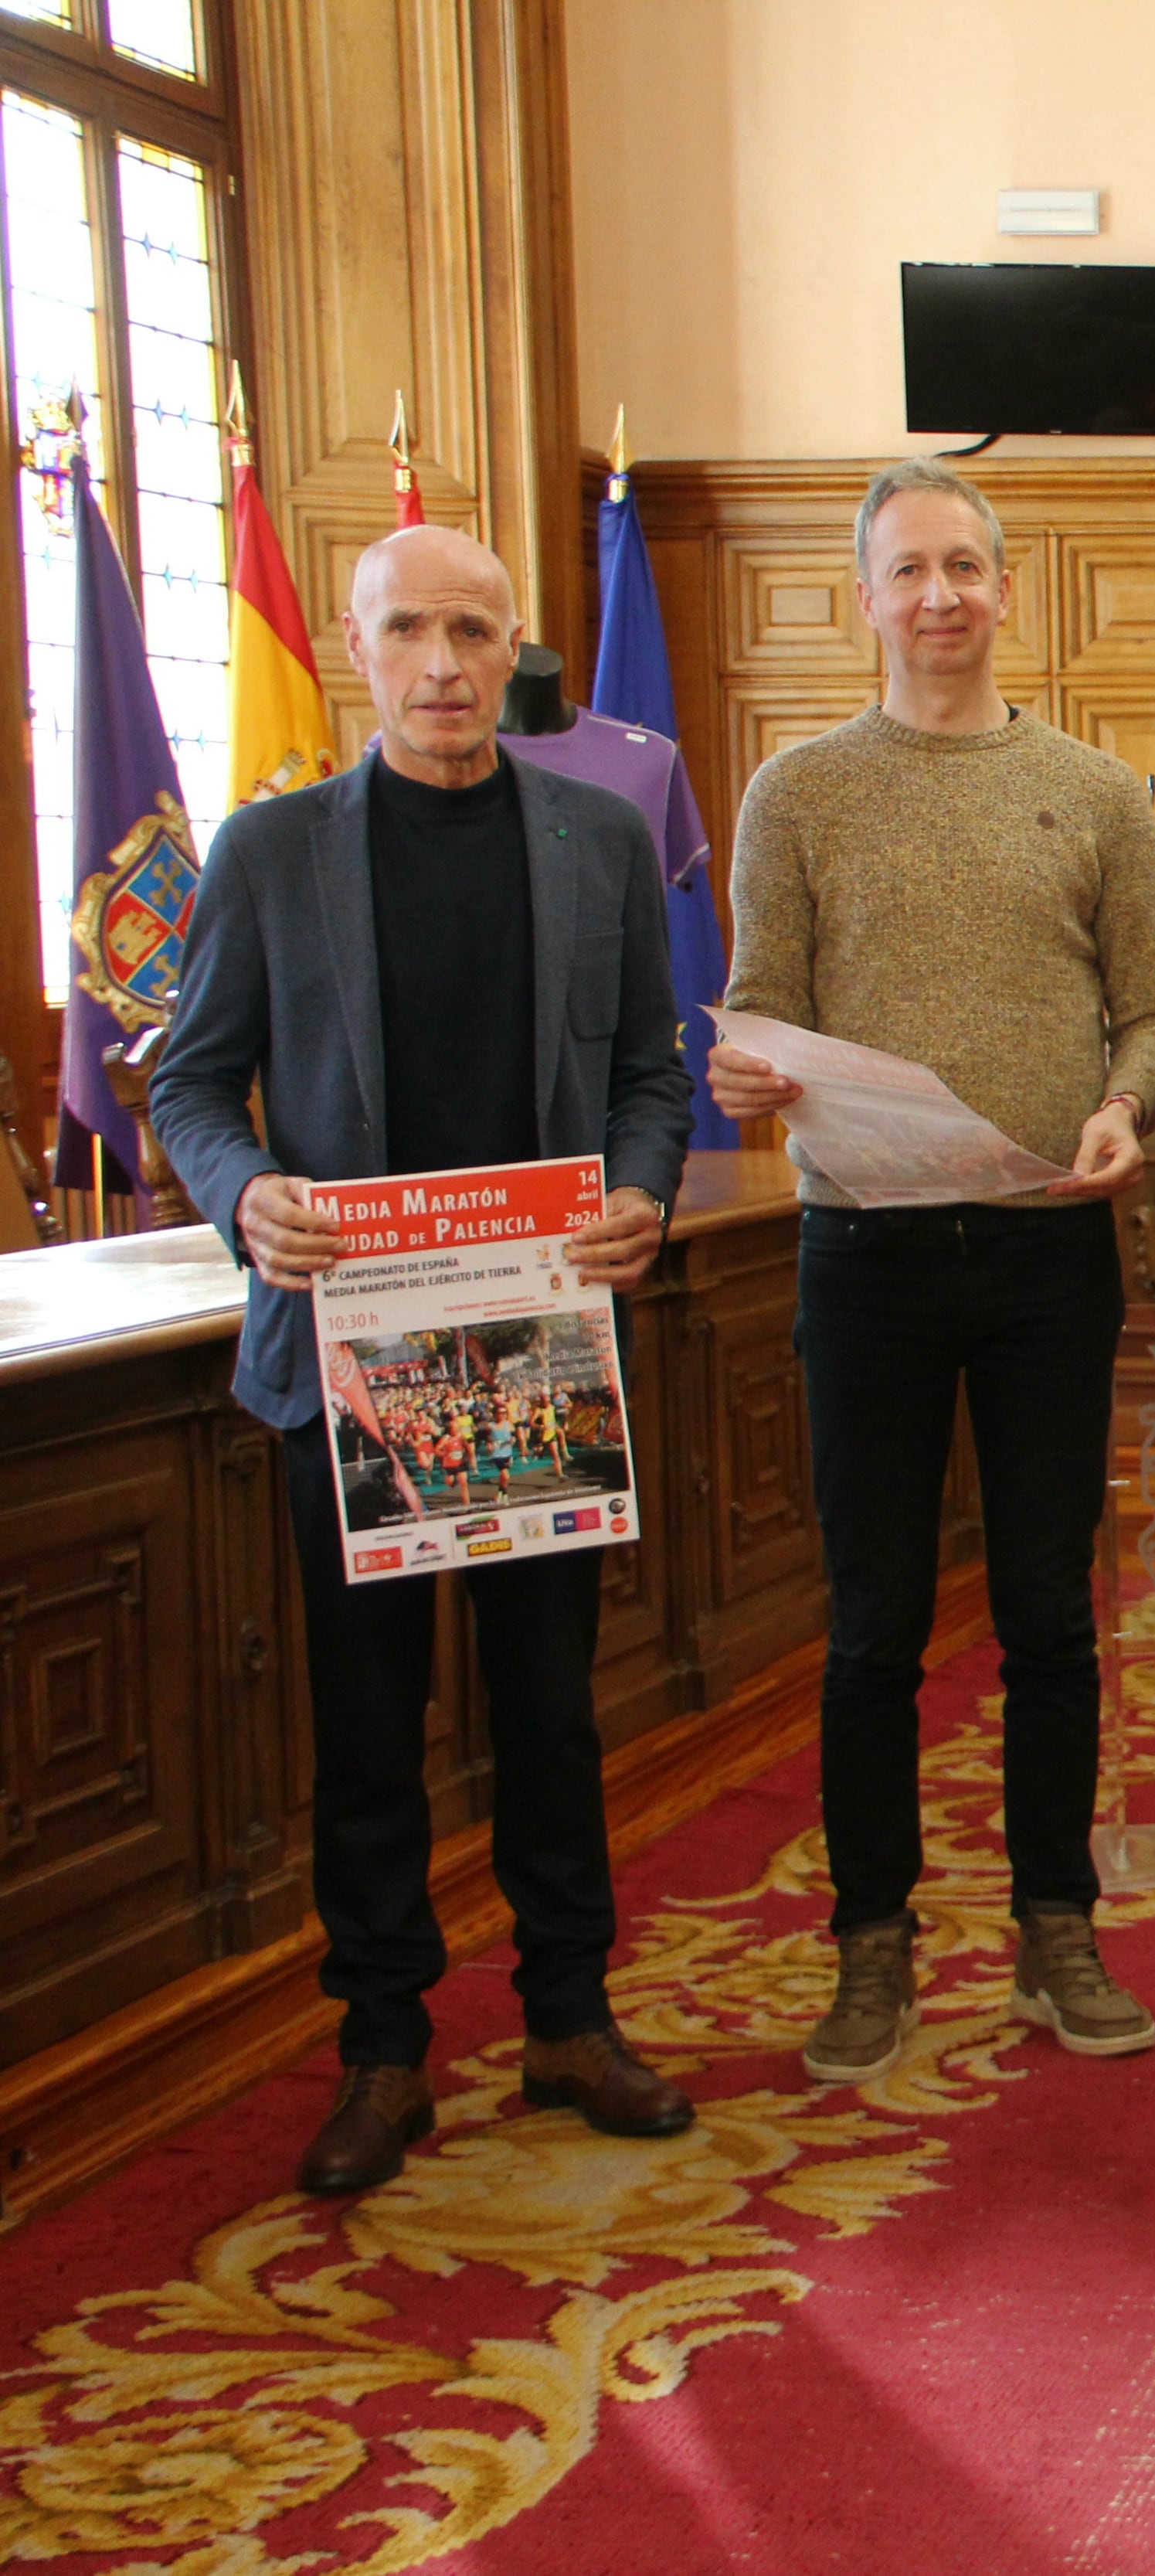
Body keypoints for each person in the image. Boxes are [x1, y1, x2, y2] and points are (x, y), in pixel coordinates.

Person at [150, 524, 696, 2195]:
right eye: (410, 631)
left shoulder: (599, 840)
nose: (445, 664)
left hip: (535, 1341)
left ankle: (568, 2016)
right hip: (352, 1356)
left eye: (473, 631)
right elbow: (192, 1082)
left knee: (549, 1705)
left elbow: (651, 1079)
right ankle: (385, 2045)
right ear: (355, 649)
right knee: (371, 1724)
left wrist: (642, 1193)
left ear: (515, 647)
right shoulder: (267, 850)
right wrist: (252, 1200)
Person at [712, 458, 1155, 2085]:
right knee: (874, 1620)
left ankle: (1058, 1924)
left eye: (967, 567)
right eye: (909, 570)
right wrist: (745, 1078)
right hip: (868, 1254)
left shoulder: (1101, 792)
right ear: (865, 595)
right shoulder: (799, 791)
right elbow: (757, 1001)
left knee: (1053, 1606)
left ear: (1005, 589)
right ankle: (872, 1943)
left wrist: (1131, 1103)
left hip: (1054, 1242)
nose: (940, 597)